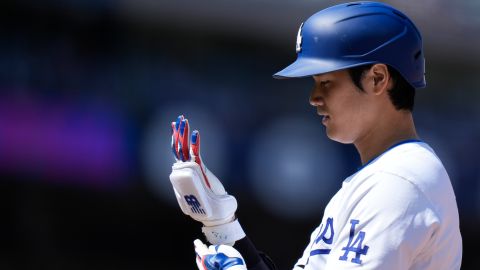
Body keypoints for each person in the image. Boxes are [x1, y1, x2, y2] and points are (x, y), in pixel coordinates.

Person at [169, 1, 462, 269]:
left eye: (326, 82)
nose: (314, 97)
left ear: (377, 79)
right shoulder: (379, 177)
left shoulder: (400, 182)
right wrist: (224, 227)